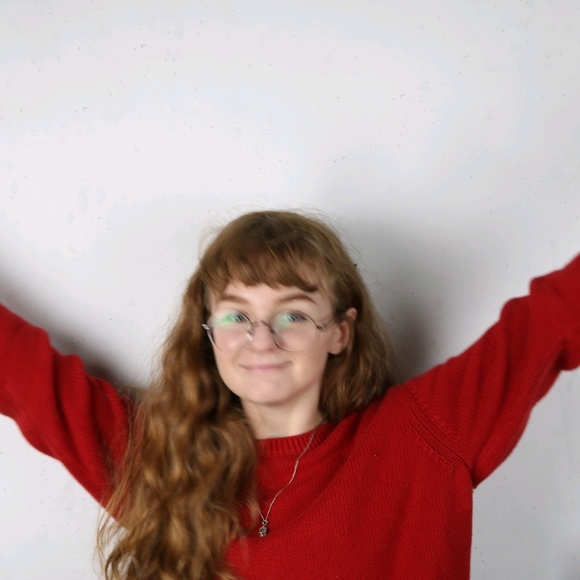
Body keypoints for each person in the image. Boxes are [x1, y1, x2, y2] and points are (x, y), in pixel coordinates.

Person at [0, 209, 579, 580]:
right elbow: (16, 365)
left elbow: (554, 317)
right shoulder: (159, 456)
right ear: (207, 333)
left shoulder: (422, 436)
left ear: (340, 332)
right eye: (236, 315)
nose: (261, 339)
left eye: (293, 314)